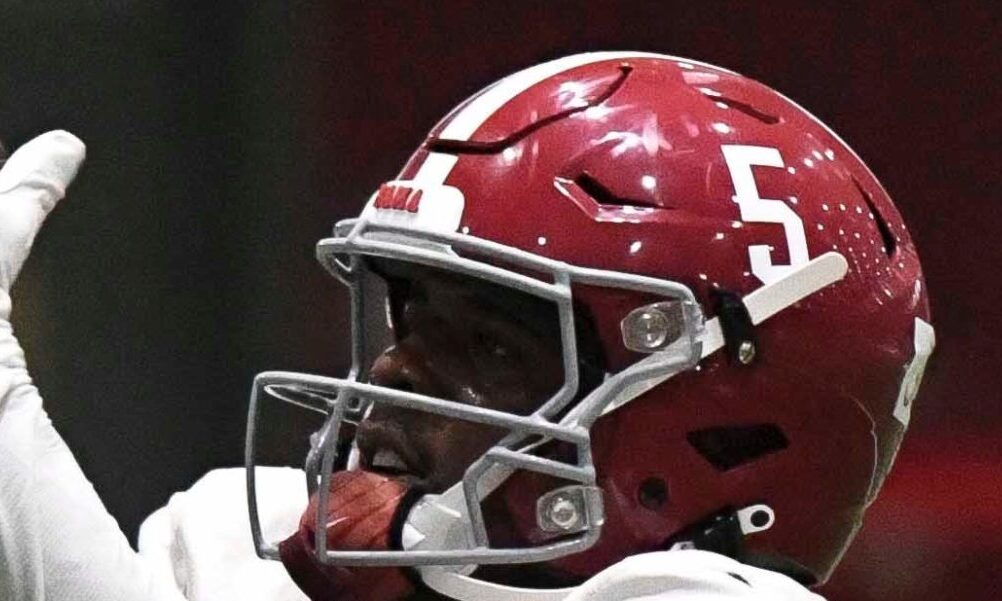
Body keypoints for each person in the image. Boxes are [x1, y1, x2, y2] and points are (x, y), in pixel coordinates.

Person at [0, 53, 935, 601]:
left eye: (491, 346)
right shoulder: (252, 549)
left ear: (716, 435)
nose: (397, 373)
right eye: (413, 320)